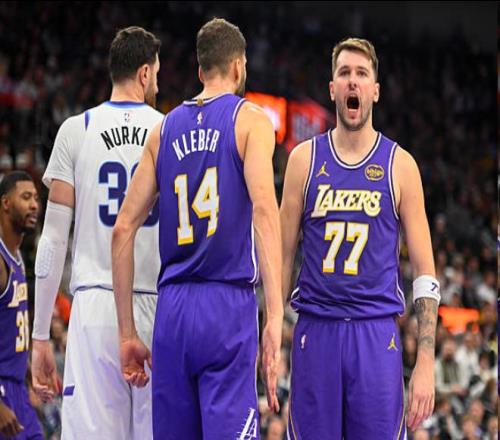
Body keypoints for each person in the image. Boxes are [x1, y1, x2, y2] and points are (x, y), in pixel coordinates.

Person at [112, 18, 283, 439]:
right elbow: (264, 211)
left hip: (172, 309)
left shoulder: (163, 129)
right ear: (239, 67)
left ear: (200, 68)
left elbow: (123, 229)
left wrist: (127, 332)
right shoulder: (251, 121)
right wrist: (275, 314)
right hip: (226, 305)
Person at [280, 37, 440, 439]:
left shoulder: (400, 165)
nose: (353, 81)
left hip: (376, 334)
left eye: (362, 74)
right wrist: (268, 336)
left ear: (376, 90)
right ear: (332, 88)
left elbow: (425, 273)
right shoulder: (303, 160)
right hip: (316, 330)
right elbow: (279, 257)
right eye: (344, 73)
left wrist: (425, 360)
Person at [30, 27, 162, 439]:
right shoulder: (170, 129)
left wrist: (40, 334)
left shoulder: (77, 128)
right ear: (144, 73)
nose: (157, 84)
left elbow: (52, 240)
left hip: (94, 306)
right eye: (156, 75)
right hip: (158, 305)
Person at [0, 171, 41, 439]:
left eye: (36, 198)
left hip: (18, 391)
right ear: (5, 203)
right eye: (26, 197)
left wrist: (28, 371)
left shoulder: (17, 257)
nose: (34, 205)